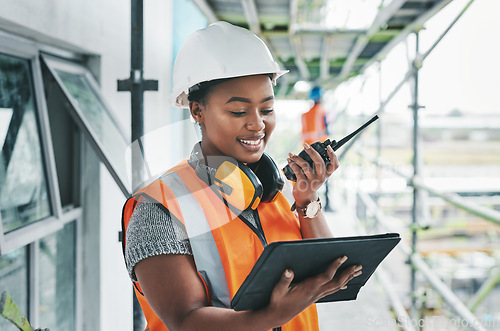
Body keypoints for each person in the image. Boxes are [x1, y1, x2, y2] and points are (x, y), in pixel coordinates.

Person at [122, 21, 362, 331]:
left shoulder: (269, 191)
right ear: (197, 111)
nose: (258, 124)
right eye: (238, 112)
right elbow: (185, 321)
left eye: (267, 109)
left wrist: (308, 199)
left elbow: (330, 274)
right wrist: (271, 317)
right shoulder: (159, 208)